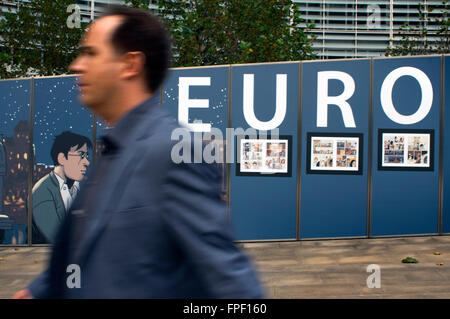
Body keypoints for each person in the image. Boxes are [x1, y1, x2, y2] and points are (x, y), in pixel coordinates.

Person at [14, 5, 263, 299]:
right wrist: (40, 290)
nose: (77, 65)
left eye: (91, 53)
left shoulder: (176, 153)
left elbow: (233, 285)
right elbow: (89, 251)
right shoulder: (110, 152)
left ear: (129, 64)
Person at [32, 131, 92, 244]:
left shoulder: (85, 187)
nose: (87, 162)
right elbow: (55, 236)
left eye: (86, 156)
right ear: (62, 158)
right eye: (81, 155)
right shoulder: (41, 191)